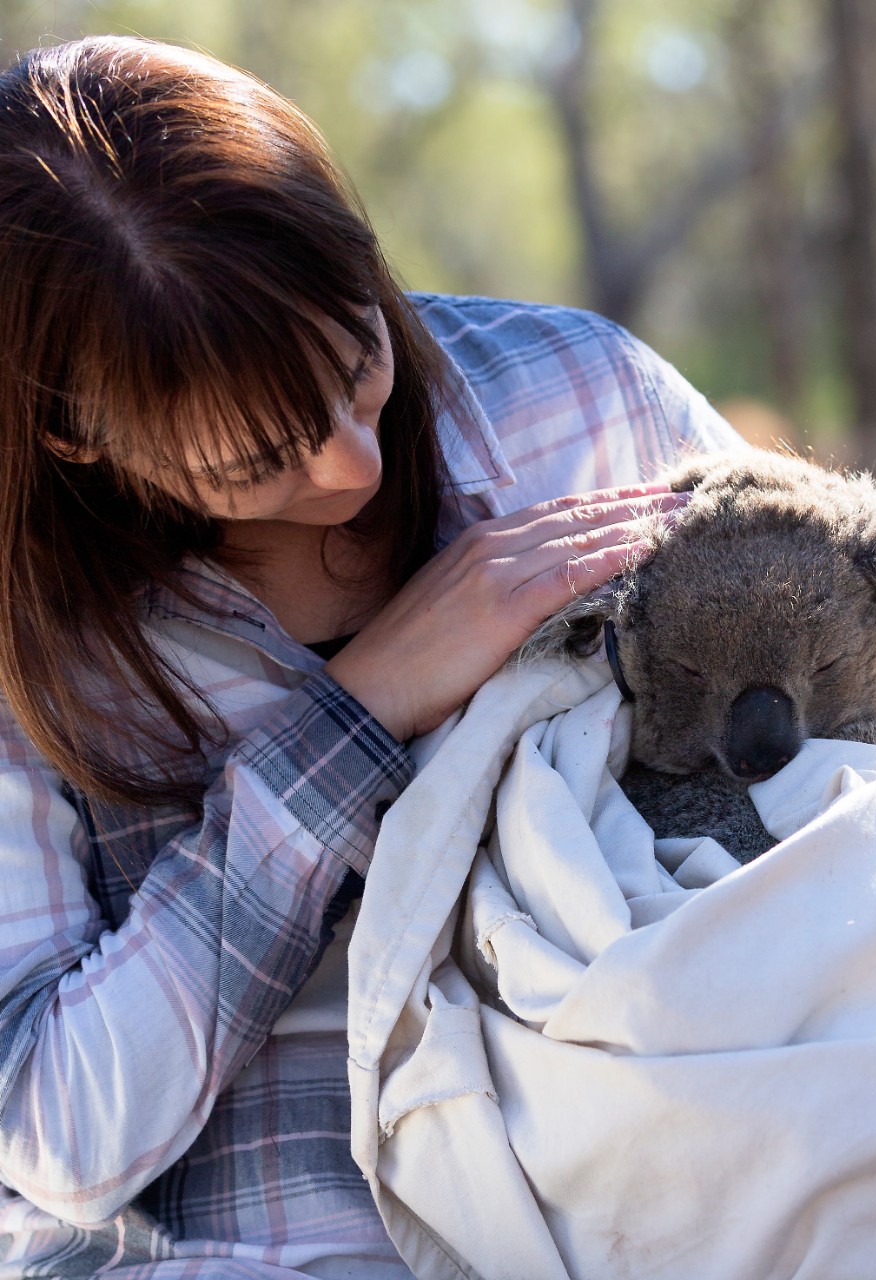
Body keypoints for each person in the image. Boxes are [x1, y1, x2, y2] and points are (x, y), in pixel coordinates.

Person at [0, 32, 741, 1279]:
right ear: (79, 434)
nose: (358, 462)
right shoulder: (29, 651)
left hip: (679, 1185)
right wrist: (353, 724)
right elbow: (55, 1135)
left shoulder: (584, 397)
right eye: (256, 458)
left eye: (358, 363)